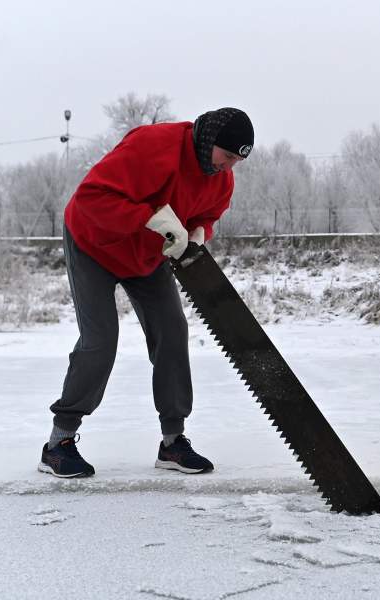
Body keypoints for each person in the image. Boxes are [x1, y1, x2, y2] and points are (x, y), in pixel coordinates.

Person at [38, 107, 254, 478]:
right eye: (228, 155)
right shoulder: (153, 145)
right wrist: (151, 218)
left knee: (173, 330)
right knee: (101, 338)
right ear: (208, 141)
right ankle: (58, 444)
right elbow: (92, 198)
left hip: (145, 256)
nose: (229, 166)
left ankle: (173, 443)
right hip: (94, 243)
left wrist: (199, 234)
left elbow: (207, 216)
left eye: (237, 160)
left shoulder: (221, 179)